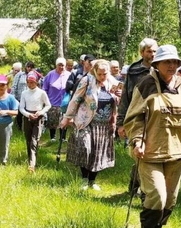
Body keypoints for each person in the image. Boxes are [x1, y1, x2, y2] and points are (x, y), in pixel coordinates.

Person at [124, 45, 181, 228]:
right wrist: (137, 140)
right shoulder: (146, 84)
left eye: (174, 62)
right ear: (156, 64)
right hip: (149, 152)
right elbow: (134, 117)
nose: (171, 65)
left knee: (169, 200)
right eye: (167, 62)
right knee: (157, 196)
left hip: (176, 153)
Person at [60, 59, 120, 191]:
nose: (103, 77)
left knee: (98, 153)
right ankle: (84, 179)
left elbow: (118, 102)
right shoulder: (87, 81)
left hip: (104, 124)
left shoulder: (114, 83)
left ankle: (92, 181)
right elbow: (76, 99)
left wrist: (119, 96)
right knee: (86, 149)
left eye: (105, 74)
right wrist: (67, 117)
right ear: (94, 72)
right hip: (87, 121)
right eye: (100, 74)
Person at [117, 38, 158, 190]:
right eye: (149, 51)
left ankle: (142, 188)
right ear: (142, 52)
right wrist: (121, 123)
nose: (152, 54)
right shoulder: (134, 71)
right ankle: (140, 186)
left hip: (156, 118)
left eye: (155, 51)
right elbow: (125, 98)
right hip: (137, 118)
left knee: (149, 154)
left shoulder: (162, 68)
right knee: (139, 153)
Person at [19, 71, 51, 173]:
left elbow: (48, 105)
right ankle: (31, 158)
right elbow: (21, 108)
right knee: (28, 140)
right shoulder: (24, 93)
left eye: (32, 82)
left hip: (38, 118)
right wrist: (28, 114)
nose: (30, 84)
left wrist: (41, 112)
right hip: (27, 117)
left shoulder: (42, 93)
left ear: (36, 82)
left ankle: (32, 164)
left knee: (34, 140)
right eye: (28, 82)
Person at [43, 57, 71, 142]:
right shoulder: (50, 74)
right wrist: (45, 100)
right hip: (52, 101)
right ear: (56, 65)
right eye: (59, 65)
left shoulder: (69, 75)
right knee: (53, 120)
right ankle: (53, 137)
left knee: (64, 119)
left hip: (65, 102)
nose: (61, 67)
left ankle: (62, 138)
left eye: (63, 65)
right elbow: (44, 88)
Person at [11, 61, 36, 130]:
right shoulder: (20, 75)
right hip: (19, 97)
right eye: (28, 67)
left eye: (31, 67)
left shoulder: (35, 75)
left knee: (28, 114)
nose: (29, 68)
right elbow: (14, 86)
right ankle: (19, 128)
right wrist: (13, 97)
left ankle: (27, 128)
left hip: (31, 98)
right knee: (19, 114)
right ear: (25, 67)